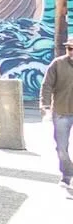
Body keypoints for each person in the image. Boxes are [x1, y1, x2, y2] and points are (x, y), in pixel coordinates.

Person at [43, 44, 73, 189]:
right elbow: (47, 85)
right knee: (61, 147)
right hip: (61, 111)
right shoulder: (58, 64)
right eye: (69, 48)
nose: (71, 51)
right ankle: (67, 175)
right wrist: (46, 106)